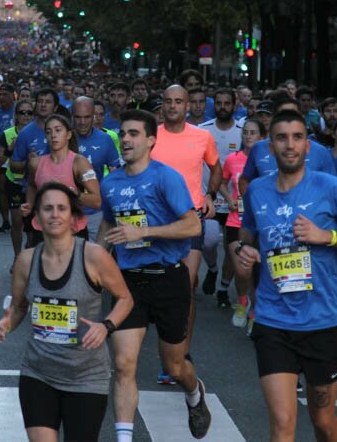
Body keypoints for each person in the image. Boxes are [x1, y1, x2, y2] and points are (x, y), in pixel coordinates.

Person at [235, 110, 337, 442]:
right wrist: (243, 252)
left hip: (323, 323)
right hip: (273, 321)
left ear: (308, 145)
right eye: (282, 138)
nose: (290, 145)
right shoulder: (257, 190)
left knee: (323, 421)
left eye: (297, 137)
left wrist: (326, 237)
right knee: (283, 424)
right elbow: (246, 235)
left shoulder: (332, 189)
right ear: (270, 146)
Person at [98, 109, 211, 441]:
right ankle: (124, 437)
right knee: (123, 364)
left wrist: (144, 231)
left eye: (134, 134)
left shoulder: (166, 177)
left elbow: (193, 224)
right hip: (128, 282)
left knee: (175, 367)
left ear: (150, 140)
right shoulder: (111, 181)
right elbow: (108, 223)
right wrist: (95, 260)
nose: (127, 140)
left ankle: (194, 394)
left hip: (167, 277)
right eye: (123, 134)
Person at [0, 181, 134, 442]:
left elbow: (126, 299)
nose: (55, 214)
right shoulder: (26, 260)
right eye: (47, 209)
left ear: (74, 219)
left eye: (62, 208)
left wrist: (105, 326)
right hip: (38, 373)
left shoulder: (93, 257)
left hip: (85, 377)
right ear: (37, 219)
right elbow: (18, 307)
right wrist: (7, 323)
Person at [151, 85, 221, 376]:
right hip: (155, 220)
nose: (173, 106)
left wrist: (210, 195)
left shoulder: (202, 136)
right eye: (168, 101)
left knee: (185, 286)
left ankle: (182, 354)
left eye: (178, 101)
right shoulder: (151, 136)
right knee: (157, 289)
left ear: (188, 105)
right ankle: (167, 351)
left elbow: (216, 167)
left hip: (191, 218)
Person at [23, 113, 101, 246]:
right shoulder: (36, 163)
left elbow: (97, 201)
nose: (53, 135)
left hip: (72, 231)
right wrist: (29, 206)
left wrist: (73, 193)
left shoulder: (79, 162)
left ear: (68, 135)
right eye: (49, 132)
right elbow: (31, 186)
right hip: (43, 230)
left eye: (58, 130)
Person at [199, 87, 245, 309]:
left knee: (232, 248)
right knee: (208, 241)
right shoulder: (203, 131)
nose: (223, 107)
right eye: (219, 103)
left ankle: (223, 289)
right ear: (213, 105)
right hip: (208, 197)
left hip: (235, 202)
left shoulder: (243, 130)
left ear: (234, 105)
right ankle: (212, 268)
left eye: (227, 103)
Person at [221, 118, 264, 329]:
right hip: (236, 221)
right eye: (245, 132)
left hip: (260, 223)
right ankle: (242, 301)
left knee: (258, 270)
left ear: (262, 137)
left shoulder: (267, 162)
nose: (248, 136)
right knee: (242, 269)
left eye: (253, 132)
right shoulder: (232, 159)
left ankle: (255, 310)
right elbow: (220, 180)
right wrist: (229, 199)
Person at [72, 96, 121, 241]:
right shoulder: (64, 137)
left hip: (96, 212)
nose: (82, 122)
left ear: (94, 115)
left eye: (87, 117)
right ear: (72, 116)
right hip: (69, 212)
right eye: (78, 117)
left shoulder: (105, 139)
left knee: (95, 257)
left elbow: (115, 173)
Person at [0, 99, 35, 255]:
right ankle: (17, 257)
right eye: (22, 113)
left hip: (34, 183)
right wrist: (9, 150)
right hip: (14, 182)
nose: (25, 116)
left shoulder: (40, 132)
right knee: (17, 221)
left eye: (29, 113)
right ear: (16, 115)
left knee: (33, 224)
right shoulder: (8, 134)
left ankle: (29, 251)